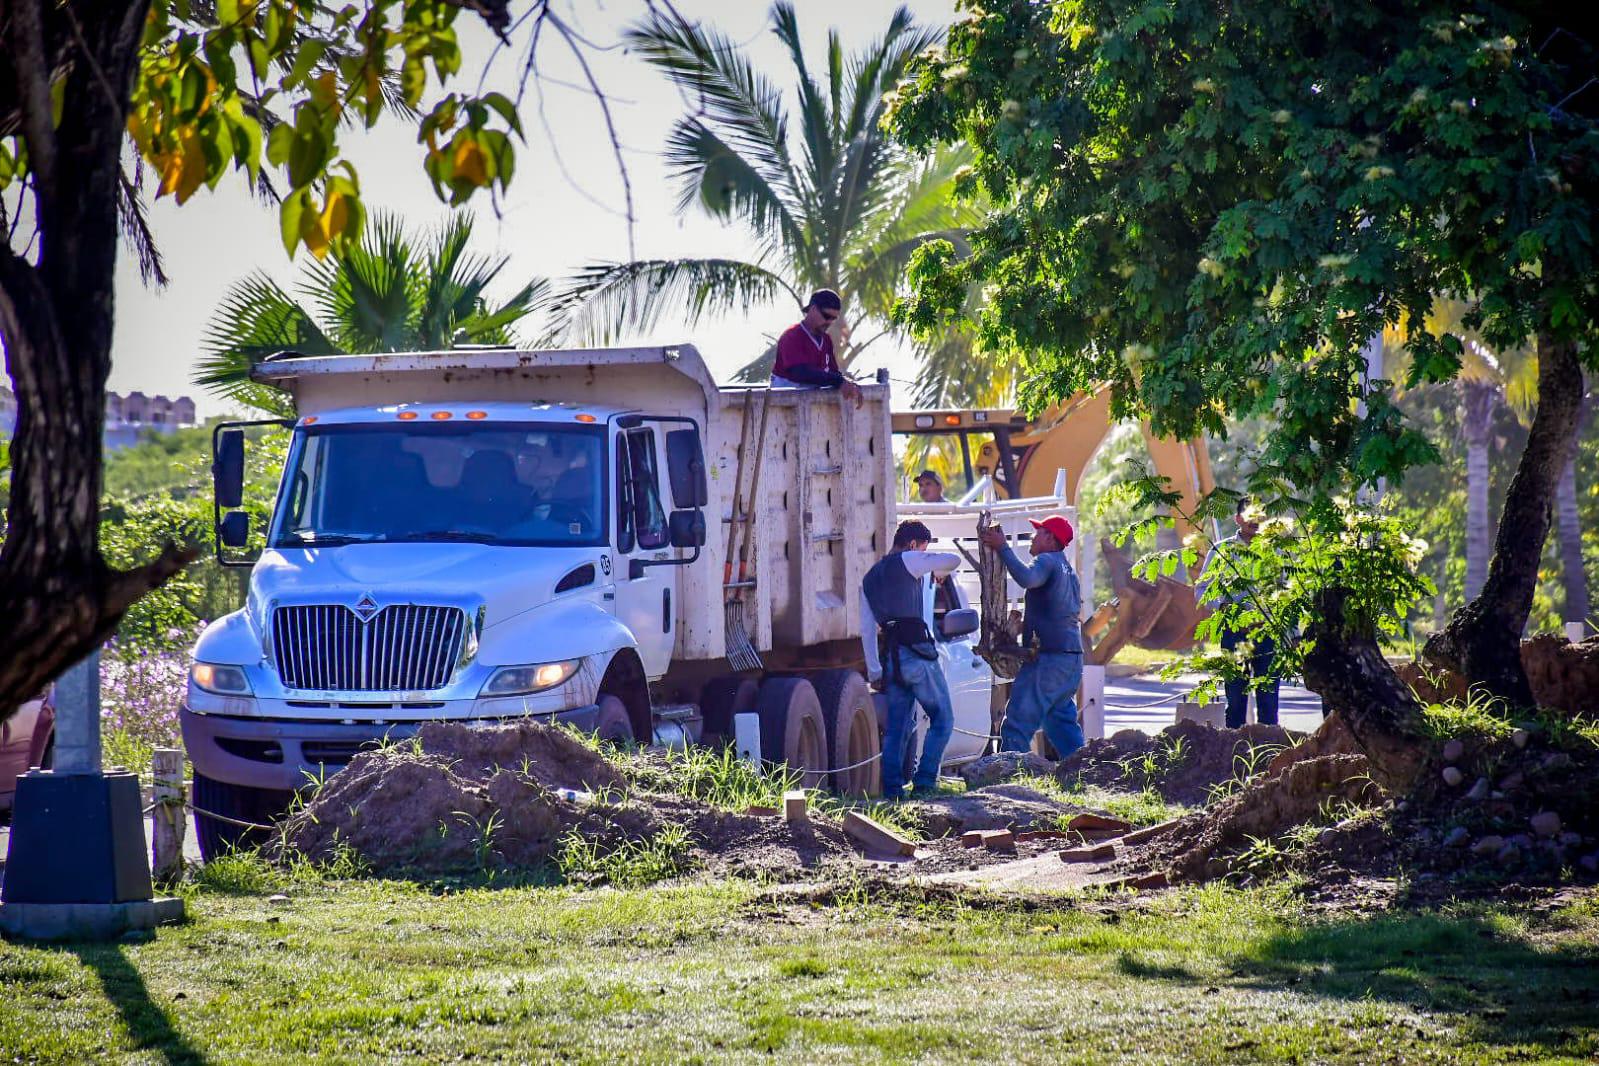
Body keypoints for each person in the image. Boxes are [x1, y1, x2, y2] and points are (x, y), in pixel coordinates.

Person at [860, 520, 960, 799]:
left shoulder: (869, 579)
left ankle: (893, 791)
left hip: (892, 659)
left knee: (897, 728)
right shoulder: (910, 559)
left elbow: (866, 630)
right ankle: (925, 782)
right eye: (923, 549)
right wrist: (938, 570)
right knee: (943, 718)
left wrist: (875, 671)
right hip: (917, 654)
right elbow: (953, 560)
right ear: (913, 544)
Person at [977, 515, 1085, 758]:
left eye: (1038, 532)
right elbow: (1062, 613)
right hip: (1071, 660)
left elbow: (1027, 578)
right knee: (1062, 725)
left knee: (1017, 723)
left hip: (1048, 660)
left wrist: (1002, 547)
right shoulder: (1068, 571)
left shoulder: (1047, 561)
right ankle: (1083, 770)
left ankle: (1009, 774)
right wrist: (1024, 627)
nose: (1033, 537)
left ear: (1050, 539)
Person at [1196, 498, 1281, 728]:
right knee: (1235, 702)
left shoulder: (1274, 550)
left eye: (1259, 515)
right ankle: (1234, 748)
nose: (1255, 520)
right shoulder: (1221, 550)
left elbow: (1286, 591)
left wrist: (1293, 634)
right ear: (1237, 519)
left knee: (1269, 702)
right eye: (1250, 515)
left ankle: (1269, 748)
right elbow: (1201, 589)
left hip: (1267, 635)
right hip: (1235, 635)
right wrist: (1221, 606)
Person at [771, 289, 863, 404]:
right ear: (813, 309)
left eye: (833, 318)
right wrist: (838, 381)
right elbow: (800, 373)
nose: (829, 322)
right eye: (826, 316)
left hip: (811, 406)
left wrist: (849, 384)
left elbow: (832, 372)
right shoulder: (792, 336)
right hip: (784, 406)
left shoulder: (826, 340)